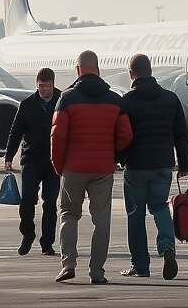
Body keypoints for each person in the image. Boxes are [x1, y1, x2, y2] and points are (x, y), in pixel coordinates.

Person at [51, 50, 132, 284]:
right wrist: (112, 154)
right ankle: (97, 272)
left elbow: (57, 136)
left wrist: (59, 165)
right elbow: (126, 134)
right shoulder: (114, 99)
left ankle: (68, 264)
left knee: (68, 214)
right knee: (102, 220)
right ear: (98, 69)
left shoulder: (66, 98)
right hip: (103, 168)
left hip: (73, 167)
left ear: (78, 70)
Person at [118, 53, 188, 280]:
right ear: (151, 71)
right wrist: (184, 163)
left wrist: (120, 158)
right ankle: (167, 246)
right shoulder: (170, 99)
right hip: (163, 164)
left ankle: (140, 266)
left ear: (131, 74)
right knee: (160, 207)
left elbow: (121, 135)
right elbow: (181, 133)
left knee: (136, 215)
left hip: (136, 166)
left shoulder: (127, 102)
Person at [4, 67, 62, 256]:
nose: (44, 90)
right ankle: (27, 234)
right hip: (31, 160)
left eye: (47, 86)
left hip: (54, 161)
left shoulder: (62, 101)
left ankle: (47, 243)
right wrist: (9, 157)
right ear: (37, 85)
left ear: (53, 84)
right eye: (41, 86)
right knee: (28, 200)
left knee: (50, 203)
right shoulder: (27, 104)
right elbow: (15, 132)